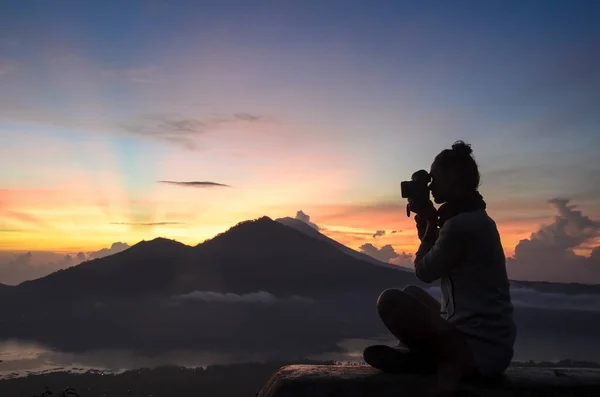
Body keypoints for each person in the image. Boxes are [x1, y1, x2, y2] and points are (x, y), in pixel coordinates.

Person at [363, 140, 517, 393]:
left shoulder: (461, 225)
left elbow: (425, 270)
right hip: (488, 345)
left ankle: (422, 360)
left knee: (390, 301)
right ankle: (420, 357)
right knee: (412, 294)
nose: (431, 186)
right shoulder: (472, 218)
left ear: (453, 178)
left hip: (476, 352)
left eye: (434, 178)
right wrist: (427, 218)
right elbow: (437, 254)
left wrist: (428, 220)